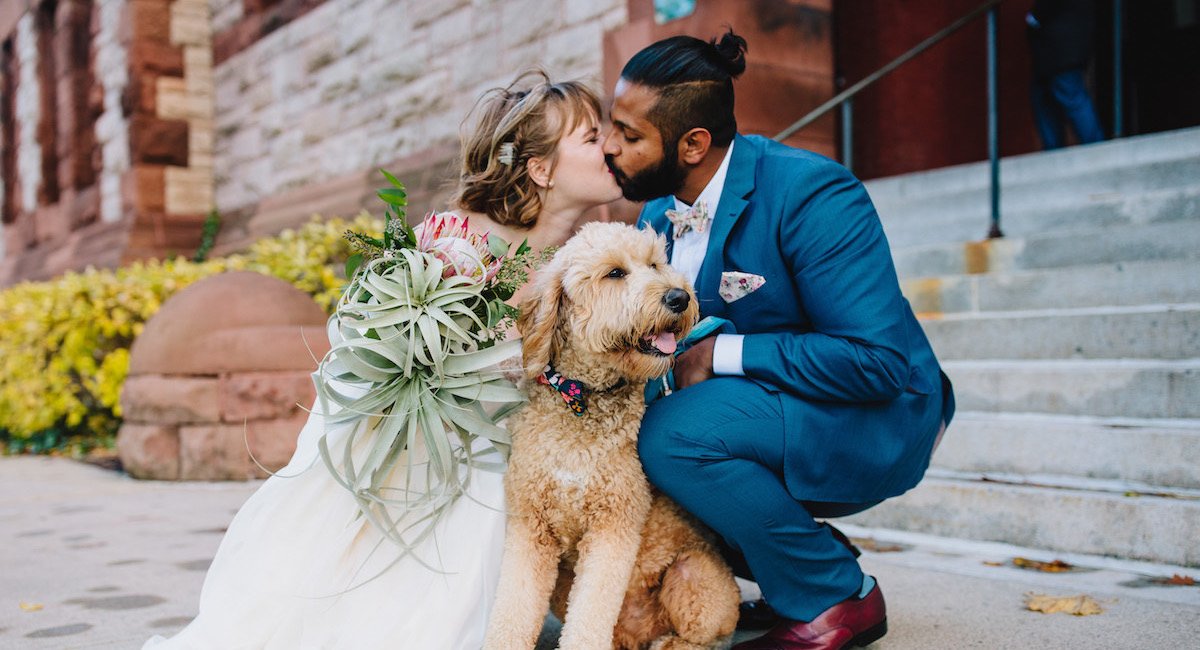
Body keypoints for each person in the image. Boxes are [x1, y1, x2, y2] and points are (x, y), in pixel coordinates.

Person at [143, 70, 623, 650]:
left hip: (511, 445)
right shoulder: (456, 239)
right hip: (427, 440)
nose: (612, 148)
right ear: (542, 169)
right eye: (592, 139)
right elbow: (366, 331)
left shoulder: (589, 255)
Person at [603, 31, 954, 650]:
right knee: (623, 428)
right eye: (613, 127)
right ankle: (794, 559)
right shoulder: (657, 214)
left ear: (693, 144)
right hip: (765, 405)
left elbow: (877, 363)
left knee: (672, 436)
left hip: (881, 414)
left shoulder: (812, 194)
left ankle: (834, 594)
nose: (610, 147)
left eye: (629, 136)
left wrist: (721, 354)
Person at [1027, 0, 1105, 150]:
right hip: (1057, 46)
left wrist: (1033, 18)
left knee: (1071, 97)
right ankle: (1055, 154)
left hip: (1061, 45)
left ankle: (1097, 149)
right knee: (1045, 98)